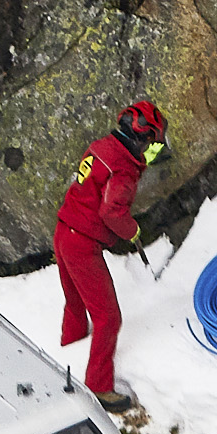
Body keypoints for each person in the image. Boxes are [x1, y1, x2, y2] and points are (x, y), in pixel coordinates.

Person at [51, 96, 163, 406]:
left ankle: (67, 355)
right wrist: (133, 231)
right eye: (152, 145)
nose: (151, 152)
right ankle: (99, 387)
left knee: (75, 304)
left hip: (63, 231)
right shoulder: (124, 170)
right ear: (142, 138)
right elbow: (112, 213)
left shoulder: (101, 147)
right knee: (108, 318)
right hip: (82, 244)